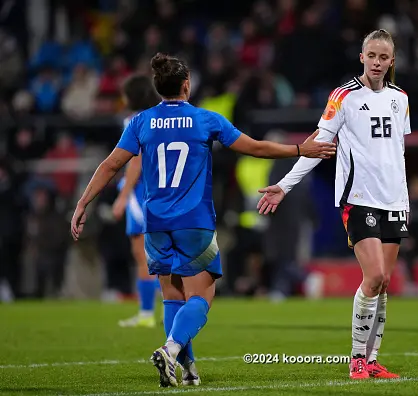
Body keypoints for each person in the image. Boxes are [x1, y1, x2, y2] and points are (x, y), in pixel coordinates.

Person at [70, 52, 336, 388]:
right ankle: (170, 349)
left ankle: (188, 368)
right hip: (193, 221)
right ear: (186, 85)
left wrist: (82, 203)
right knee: (201, 297)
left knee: (171, 297)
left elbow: (109, 165)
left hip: (156, 224)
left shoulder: (141, 122)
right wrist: (300, 149)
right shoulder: (205, 120)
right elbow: (255, 148)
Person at [257, 29, 409, 380]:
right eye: (371, 55)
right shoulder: (344, 97)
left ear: (392, 61)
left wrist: (403, 195)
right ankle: (357, 358)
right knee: (372, 276)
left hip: (395, 200)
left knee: (384, 281)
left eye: (383, 57)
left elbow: (396, 152)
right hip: (358, 198)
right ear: (361, 57)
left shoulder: (400, 98)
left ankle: (373, 361)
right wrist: (283, 186)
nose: (376, 62)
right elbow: (317, 145)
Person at [111, 74, 161, 328]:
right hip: (161, 190)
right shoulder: (158, 117)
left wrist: (122, 196)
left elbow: (135, 160)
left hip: (140, 192)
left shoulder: (134, 121)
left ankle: (146, 314)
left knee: (142, 254)